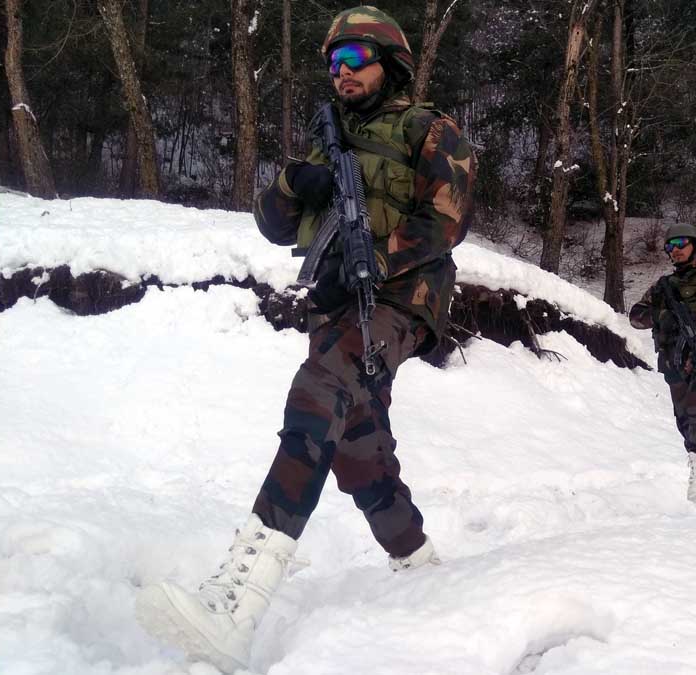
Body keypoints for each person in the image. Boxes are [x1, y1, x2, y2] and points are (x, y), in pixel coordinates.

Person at [134, 7, 476, 672]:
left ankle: (236, 607)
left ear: (390, 64)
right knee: (356, 447)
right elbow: (271, 224)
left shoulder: (428, 128)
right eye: (334, 63)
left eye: (356, 59)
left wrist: (375, 260)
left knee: (318, 394)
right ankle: (419, 560)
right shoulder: (326, 142)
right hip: (333, 304)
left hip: (401, 299)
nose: (342, 73)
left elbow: (448, 219)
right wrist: (295, 180)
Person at [629, 223, 696, 504]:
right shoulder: (662, 286)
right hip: (673, 360)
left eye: (680, 244)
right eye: (670, 246)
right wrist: (663, 315)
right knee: (685, 421)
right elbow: (636, 317)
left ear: (695, 246)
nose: (675, 250)